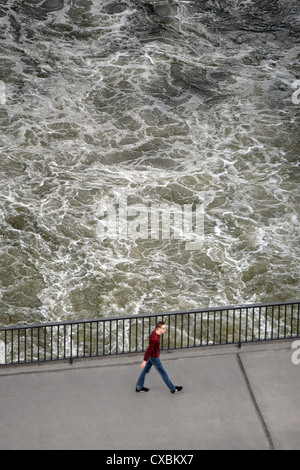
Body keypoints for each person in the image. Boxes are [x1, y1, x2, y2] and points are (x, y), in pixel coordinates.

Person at [135, 321, 183, 394]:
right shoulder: (155, 339)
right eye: (163, 328)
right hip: (154, 358)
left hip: (152, 356)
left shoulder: (155, 332)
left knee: (145, 371)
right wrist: (144, 361)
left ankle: (139, 387)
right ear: (158, 328)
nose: (165, 330)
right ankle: (173, 389)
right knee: (163, 373)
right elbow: (149, 349)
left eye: (165, 328)